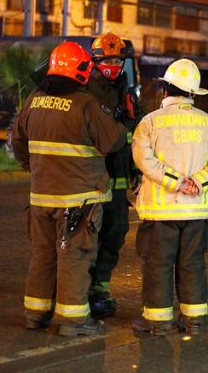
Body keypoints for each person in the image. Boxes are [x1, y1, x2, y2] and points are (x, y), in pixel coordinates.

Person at [11, 41, 126, 337]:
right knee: (74, 256)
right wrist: (124, 122)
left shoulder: (34, 100)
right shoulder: (84, 103)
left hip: (41, 198)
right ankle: (72, 320)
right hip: (78, 200)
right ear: (81, 70)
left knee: (43, 254)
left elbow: (18, 143)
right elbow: (112, 141)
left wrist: (35, 170)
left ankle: (35, 313)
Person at [130, 58, 208, 335]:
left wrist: (176, 182)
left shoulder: (150, 122)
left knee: (158, 265)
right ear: (192, 93)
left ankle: (158, 321)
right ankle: (194, 319)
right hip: (197, 212)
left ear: (165, 90)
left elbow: (144, 160)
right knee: (193, 264)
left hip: (160, 213)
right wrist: (198, 183)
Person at [85, 32, 141, 318]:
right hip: (89, 180)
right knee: (86, 237)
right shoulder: (84, 92)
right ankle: (78, 289)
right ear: (95, 61)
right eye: (108, 60)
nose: (113, 65)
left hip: (117, 181)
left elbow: (135, 135)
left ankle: (100, 289)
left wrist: (136, 169)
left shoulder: (125, 93)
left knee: (115, 234)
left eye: (118, 60)